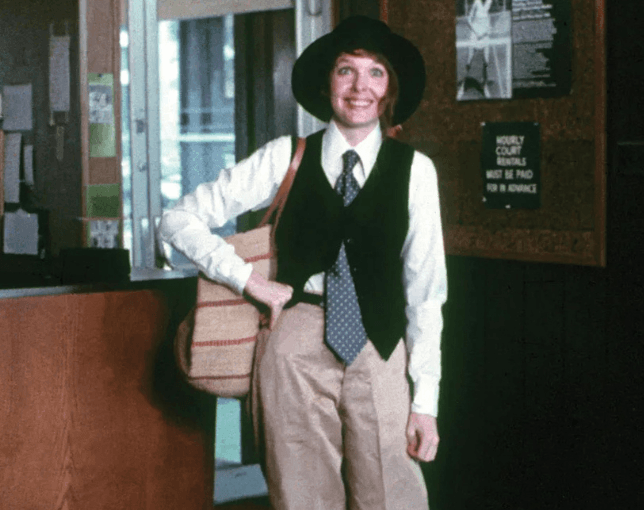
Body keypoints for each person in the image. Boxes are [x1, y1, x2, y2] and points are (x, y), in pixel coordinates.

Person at [159, 16, 446, 509]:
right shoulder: (285, 156)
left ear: (389, 90)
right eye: (346, 70)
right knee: (302, 498)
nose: (360, 87)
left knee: (393, 497)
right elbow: (176, 220)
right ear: (327, 83)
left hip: (379, 347)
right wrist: (248, 280)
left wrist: (425, 402)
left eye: (375, 72)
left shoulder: (415, 171)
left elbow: (426, 294)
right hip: (294, 345)